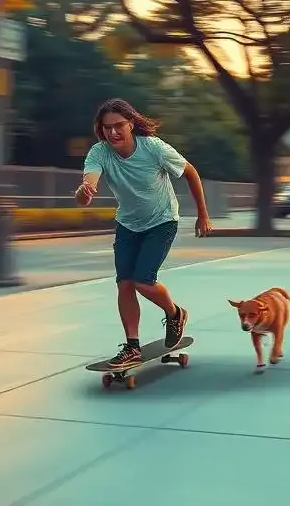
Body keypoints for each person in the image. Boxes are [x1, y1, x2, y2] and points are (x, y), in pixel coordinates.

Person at [75, 98, 212, 368]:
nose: (112, 133)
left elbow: (191, 173)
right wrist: (83, 192)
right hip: (128, 224)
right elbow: (87, 189)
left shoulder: (154, 148)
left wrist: (202, 214)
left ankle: (175, 314)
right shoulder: (99, 153)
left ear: (132, 124)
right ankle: (132, 346)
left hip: (162, 221)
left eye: (118, 126)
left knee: (143, 281)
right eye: (106, 128)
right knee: (124, 284)